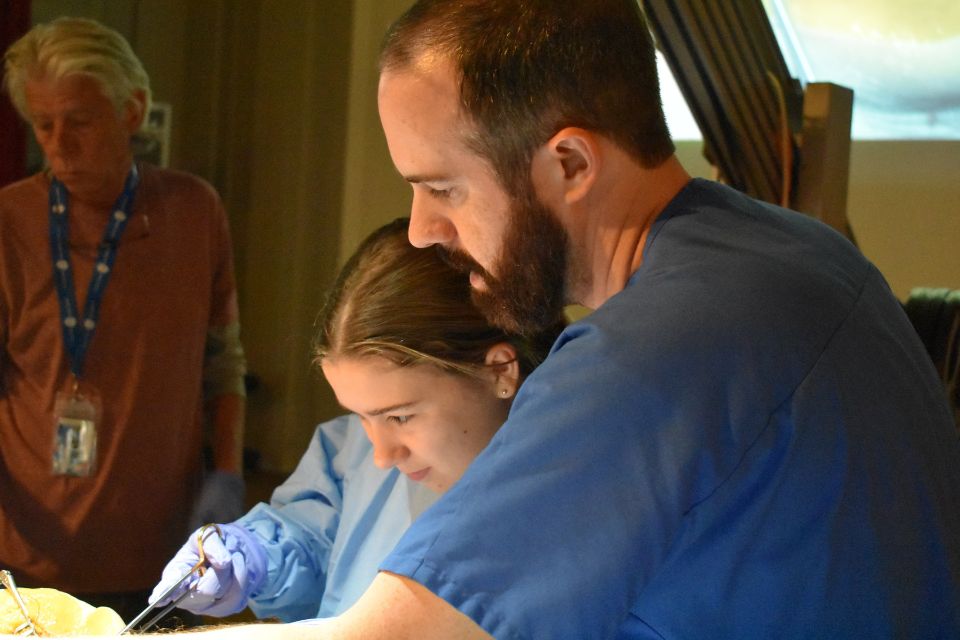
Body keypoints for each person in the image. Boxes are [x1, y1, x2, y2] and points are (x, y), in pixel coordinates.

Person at [12, 2, 959, 639]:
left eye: (442, 188)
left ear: (570, 166)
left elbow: (395, 634)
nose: (424, 233)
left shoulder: (653, 351)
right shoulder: (802, 257)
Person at [145, 217, 562, 623]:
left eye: (399, 416)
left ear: (499, 371)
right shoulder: (355, 450)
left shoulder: (575, 492)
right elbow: (314, 536)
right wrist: (254, 553)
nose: (382, 455)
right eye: (361, 416)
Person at [0, 17, 246, 623]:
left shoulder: (193, 212)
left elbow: (224, 365)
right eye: (43, 124)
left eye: (79, 121)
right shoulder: (11, 220)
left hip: (160, 554)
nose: (59, 145)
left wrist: (228, 479)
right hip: (28, 552)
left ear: (132, 112)